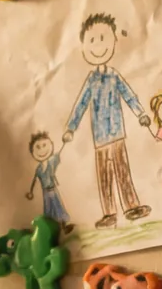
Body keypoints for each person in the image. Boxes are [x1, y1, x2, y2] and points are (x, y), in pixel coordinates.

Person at [61, 13, 152, 228]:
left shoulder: (114, 75)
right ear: (83, 46)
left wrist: (141, 113)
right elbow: (81, 105)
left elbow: (129, 94)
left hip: (117, 134)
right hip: (100, 138)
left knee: (122, 170)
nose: (98, 45)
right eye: (92, 40)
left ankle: (131, 207)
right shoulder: (91, 80)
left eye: (103, 38)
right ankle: (109, 213)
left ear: (113, 41)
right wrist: (71, 128)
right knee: (104, 175)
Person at [23, 131, 72, 233]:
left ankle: (64, 226)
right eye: (38, 147)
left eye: (44, 145)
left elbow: (59, 154)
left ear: (50, 145)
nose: (42, 150)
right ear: (32, 151)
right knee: (48, 210)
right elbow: (34, 180)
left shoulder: (51, 162)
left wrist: (65, 142)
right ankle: (51, 229)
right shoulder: (39, 169)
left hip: (53, 190)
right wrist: (31, 192)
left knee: (58, 207)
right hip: (45, 192)